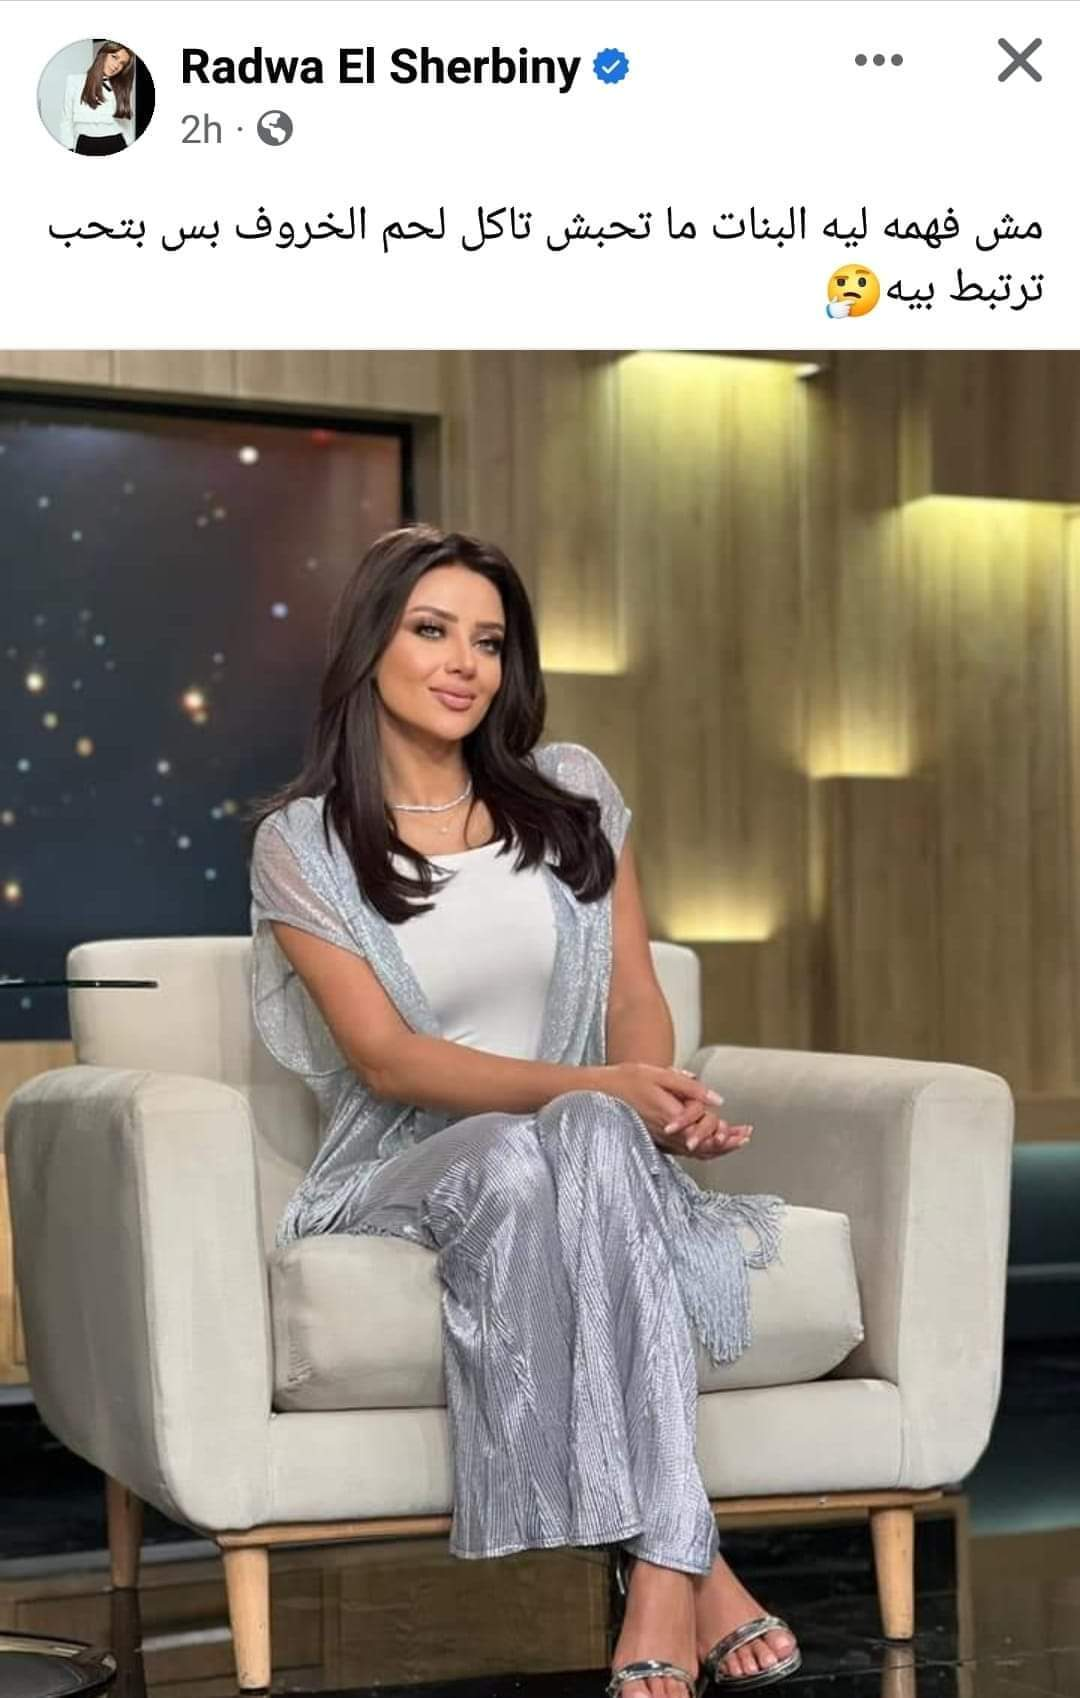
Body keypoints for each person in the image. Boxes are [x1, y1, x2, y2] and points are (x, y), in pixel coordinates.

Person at [247, 523, 802, 1693]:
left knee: (579, 1135)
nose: (465, 664)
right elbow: (389, 1061)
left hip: (577, 1145)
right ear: (371, 647)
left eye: (490, 642)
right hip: (405, 1164)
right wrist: (597, 1088)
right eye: (432, 630)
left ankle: (659, 1566)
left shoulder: (574, 792)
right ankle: (689, 1561)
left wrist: (650, 1104)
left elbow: (634, 995)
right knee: (516, 1149)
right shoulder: (302, 844)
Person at [58, 42, 134, 155]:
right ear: (102, 54)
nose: (116, 66)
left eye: (122, 63)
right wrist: (68, 147)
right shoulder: (74, 81)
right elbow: (66, 120)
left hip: (117, 144)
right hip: (84, 145)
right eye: (114, 57)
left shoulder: (120, 88)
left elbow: (126, 125)